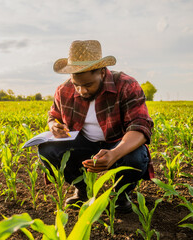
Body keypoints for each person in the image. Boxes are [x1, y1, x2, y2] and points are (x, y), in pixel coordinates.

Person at [38, 40, 154, 213]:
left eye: (87, 85)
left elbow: (140, 126)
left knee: (136, 158)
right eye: (77, 85)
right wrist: (54, 125)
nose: (82, 91)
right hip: (84, 144)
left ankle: (121, 195)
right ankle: (82, 190)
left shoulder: (126, 85)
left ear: (101, 71)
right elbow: (53, 115)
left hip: (118, 143)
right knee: (48, 149)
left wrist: (114, 153)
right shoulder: (64, 90)